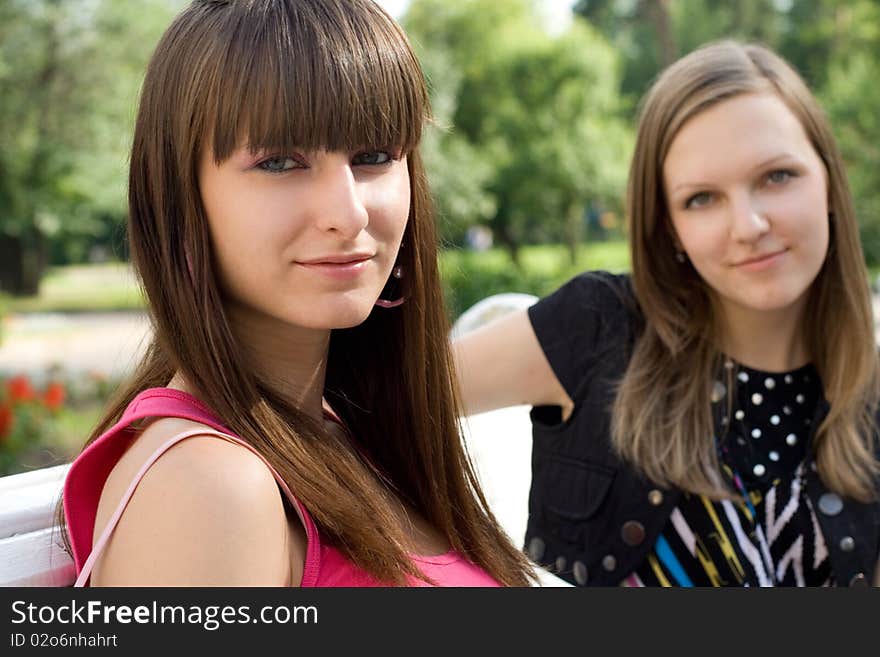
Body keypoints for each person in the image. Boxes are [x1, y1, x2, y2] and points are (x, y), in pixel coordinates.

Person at [60, 0, 535, 587]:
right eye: (280, 162)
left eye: (374, 157)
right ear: (179, 199)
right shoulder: (209, 489)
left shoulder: (351, 429)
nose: (348, 212)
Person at [454, 40, 880, 587]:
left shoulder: (867, 408)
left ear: (827, 181)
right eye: (702, 198)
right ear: (669, 226)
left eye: (777, 176)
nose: (747, 225)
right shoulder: (599, 327)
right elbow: (366, 407)